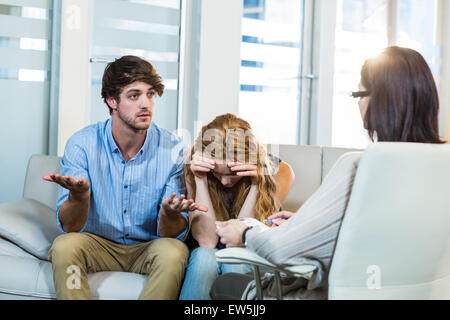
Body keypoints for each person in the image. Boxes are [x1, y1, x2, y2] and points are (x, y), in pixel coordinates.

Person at [212, 46, 446, 300]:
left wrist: (245, 233)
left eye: (358, 93)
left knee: (224, 285)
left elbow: (283, 250)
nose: (358, 103)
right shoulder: (439, 166)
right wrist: (310, 224)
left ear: (378, 100)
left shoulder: (359, 167)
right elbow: (383, 235)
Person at [43, 55, 207, 300]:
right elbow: (70, 227)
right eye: (134, 95)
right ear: (112, 101)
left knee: (173, 250)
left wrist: (169, 212)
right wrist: (80, 197)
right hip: (97, 244)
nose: (145, 104)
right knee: (64, 246)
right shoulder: (82, 144)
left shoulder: (173, 149)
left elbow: (170, 234)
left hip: (148, 247)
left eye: (150, 94)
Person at [178, 113, 295, 300]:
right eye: (217, 173)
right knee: (203, 257)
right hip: (206, 250)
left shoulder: (280, 172)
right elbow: (207, 241)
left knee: (236, 259)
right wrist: (200, 179)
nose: (225, 181)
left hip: (247, 251)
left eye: (233, 174)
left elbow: (244, 240)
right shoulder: (194, 165)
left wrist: (256, 184)